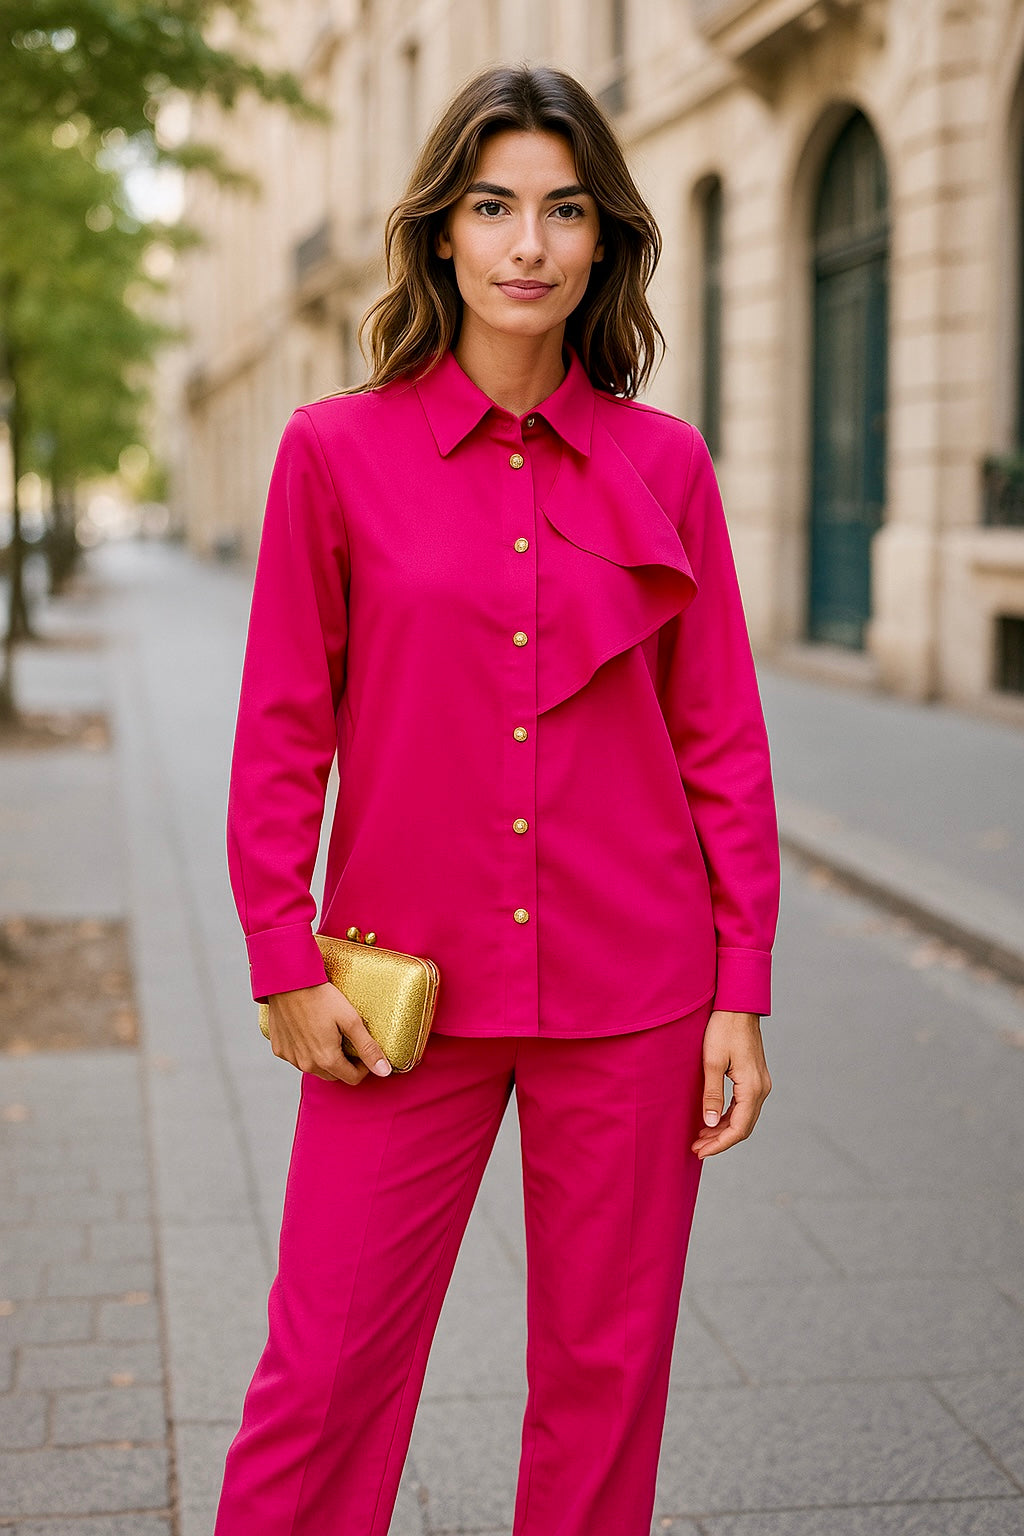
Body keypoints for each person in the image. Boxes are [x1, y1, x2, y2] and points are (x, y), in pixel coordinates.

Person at [214, 61, 780, 1536]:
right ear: (443, 234)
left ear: (604, 239)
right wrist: (281, 959)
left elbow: (720, 742)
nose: (528, 243)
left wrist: (741, 990)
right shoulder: (332, 454)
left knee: (605, 1385)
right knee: (323, 1376)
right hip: (397, 1002)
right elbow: (283, 730)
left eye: (563, 209)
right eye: (493, 206)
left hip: (637, 995)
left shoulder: (669, 467)